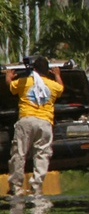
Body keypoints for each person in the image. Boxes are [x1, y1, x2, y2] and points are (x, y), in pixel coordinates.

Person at [5, 56, 64, 196]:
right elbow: (61, 88)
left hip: (26, 120)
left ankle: (16, 188)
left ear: (34, 69)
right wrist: (57, 75)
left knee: (19, 154)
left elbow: (10, 86)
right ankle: (36, 187)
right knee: (42, 155)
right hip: (45, 123)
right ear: (47, 71)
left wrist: (8, 76)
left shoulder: (25, 82)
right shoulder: (53, 85)